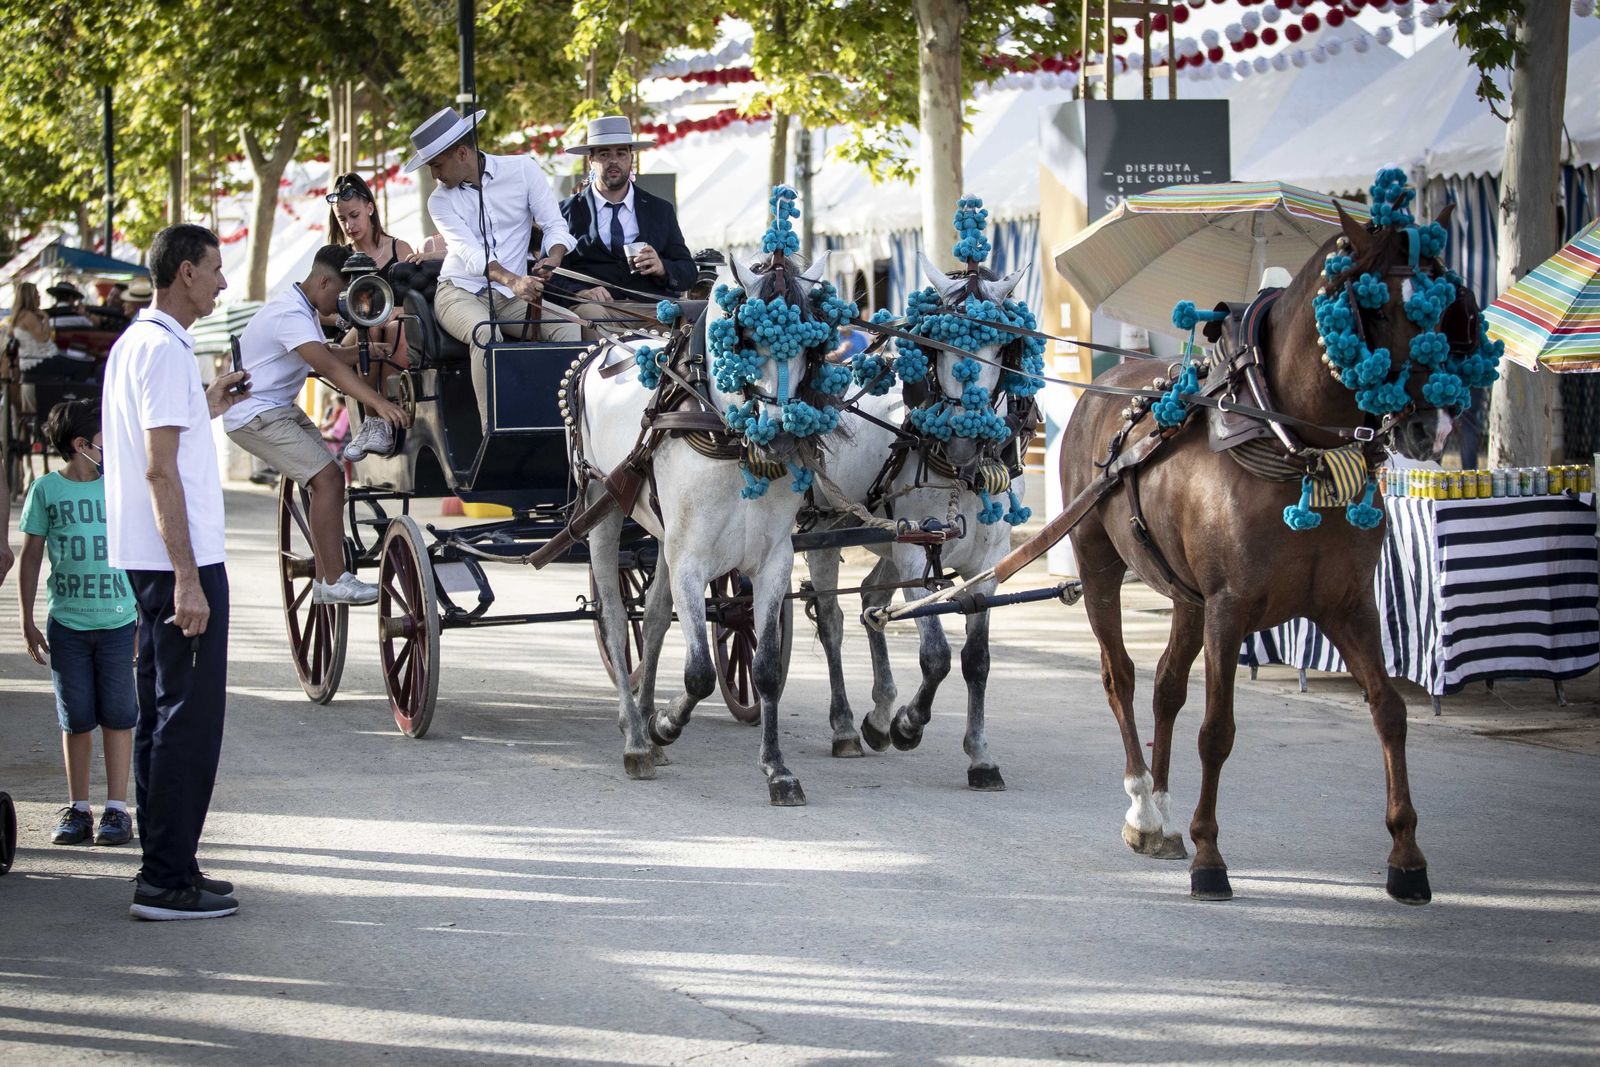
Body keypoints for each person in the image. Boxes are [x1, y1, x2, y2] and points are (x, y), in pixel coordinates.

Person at [102, 222, 250, 921]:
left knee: (166, 714)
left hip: (150, 558)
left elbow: (161, 448)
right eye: (216, 270)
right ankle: (163, 879)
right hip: (175, 563)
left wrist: (211, 402)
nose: (223, 283)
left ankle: (170, 861)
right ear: (185, 272)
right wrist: (188, 577)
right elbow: (160, 469)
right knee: (188, 721)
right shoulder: (161, 352)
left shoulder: (142, 342)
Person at [224, 244, 410, 605]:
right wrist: (379, 403)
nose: (343, 305)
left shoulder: (300, 308)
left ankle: (329, 578)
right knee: (327, 479)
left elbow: (326, 354)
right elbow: (327, 367)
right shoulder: (289, 314)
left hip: (275, 409)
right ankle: (334, 580)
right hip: (255, 413)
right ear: (324, 281)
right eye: (342, 293)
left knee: (328, 479)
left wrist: (370, 352)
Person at [400, 105, 580, 428]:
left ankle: (569, 429)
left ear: (463, 153)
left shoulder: (524, 170)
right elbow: (471, 255)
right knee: (487, 335)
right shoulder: (439, 200)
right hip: (459, 293)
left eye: (437, 165)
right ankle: (494, 434)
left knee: (571, 329)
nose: (434, 176)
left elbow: (555, 226)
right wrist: (514, 281)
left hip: (510, 296)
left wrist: (551, 259)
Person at [17, 400, 138, 848]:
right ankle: (79, 809)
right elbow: (30, 558)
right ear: (81, 445)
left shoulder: (121, 488)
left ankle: (117, 810)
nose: (112, 451)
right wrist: (27, 620)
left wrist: (141, 617)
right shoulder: (46, 490)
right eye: (104, 443)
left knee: (119, 715)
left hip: (118, 621)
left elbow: (142, 553)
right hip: (66, 625)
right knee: (76, 718)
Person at [558, 116, 697, 324]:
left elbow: (688, 271)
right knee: (591, 317)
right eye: (605, 154)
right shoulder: (567, 212)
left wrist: (662, 267)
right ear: (591, 160)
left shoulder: (660, 210)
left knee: (685, 324)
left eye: (621, 153)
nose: (614, 161)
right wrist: (581, 292)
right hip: (598, 311)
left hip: (651, 308)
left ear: (631, 159)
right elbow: (550, 273)